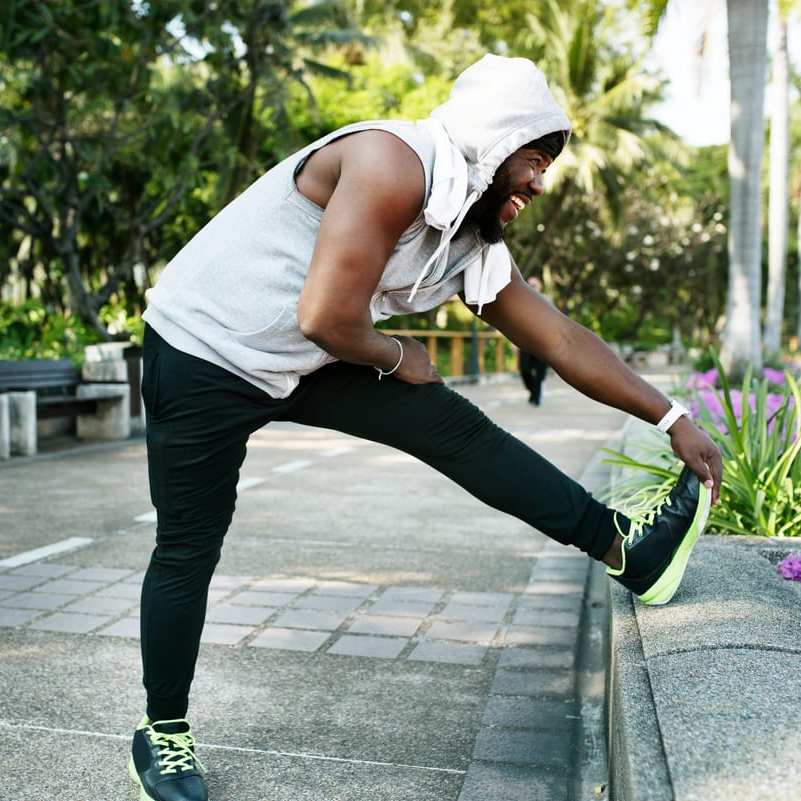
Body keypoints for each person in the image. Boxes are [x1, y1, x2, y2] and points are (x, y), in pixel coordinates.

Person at [127, 55, 724, 801]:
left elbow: (562, 341)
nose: (540, 184)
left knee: (456, 428)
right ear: (496, 142)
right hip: (204, 351)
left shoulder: (466, 239)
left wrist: (671, 416)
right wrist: (398, 352)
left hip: (306, 355)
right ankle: (163, 731)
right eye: (534, 161)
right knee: (190, 543)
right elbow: (325, 315)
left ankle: (624, 549)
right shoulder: (391, 162)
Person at [518, 275, 550, 405]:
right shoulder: (521, 302)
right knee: (524, 369)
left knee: (540, 372)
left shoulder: (547, 301)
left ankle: (536, 398)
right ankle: (535, 391)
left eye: (534, 285)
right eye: (529, 285)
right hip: (526, 342)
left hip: (543, 344)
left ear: (540, 287)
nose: (531, 288)